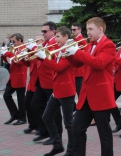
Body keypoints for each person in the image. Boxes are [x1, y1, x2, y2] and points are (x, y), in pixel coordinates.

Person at [66, 17, 116, 156]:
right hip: (86, 96)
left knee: (104, 132)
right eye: (87, 29)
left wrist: (77, 52)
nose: (88, 32)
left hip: (101, 96)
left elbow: (99, 63)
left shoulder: (109, 45)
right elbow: (78, 64)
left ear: (100, 29)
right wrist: (69, 54)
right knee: (77, 128)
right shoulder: (89, 45)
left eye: (90, 29)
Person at [34, 26, 76, 156]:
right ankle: (58, 145)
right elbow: (52, 64)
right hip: (57, 89)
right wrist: (41, 56)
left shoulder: (70, 51)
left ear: (66, 37)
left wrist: (44, 58)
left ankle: (71, 150)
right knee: (46, 116)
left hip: (66, 90)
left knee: (68, 123)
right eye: (56, 36)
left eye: (58, 37)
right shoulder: (59, 49)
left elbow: (58, 68)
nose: (56, 39)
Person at [28, 21, 63, 143]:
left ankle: (57, 135)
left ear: (53, 31)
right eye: (42, 31)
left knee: (54, 111)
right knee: (35, 105)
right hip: (41, 80)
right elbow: (36, 60)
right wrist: (32, 50)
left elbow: (52, 58)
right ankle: (44, 131)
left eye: (45, 31)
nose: (42, 34)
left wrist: (37, 49)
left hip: (50, 80)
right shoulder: (46, 42)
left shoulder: (54, 42)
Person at [1, 33, 28, 125]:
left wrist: (7, 53)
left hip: (20, 76)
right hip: (13, 76)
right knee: (6, 95)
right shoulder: (15, 48)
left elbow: (19, 61)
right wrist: (3, 55)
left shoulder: (24, 48)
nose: (12, 44)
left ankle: (22, 118)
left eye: (14, 41)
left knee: (21, 99)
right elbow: (8, 61)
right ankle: (14, 114)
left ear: (20, 40)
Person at [22, 35, 43, 134]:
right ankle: (32, 124)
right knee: (27, 103)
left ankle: (39, 126)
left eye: (38, 40)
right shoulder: (34, 51)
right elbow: (28, 64)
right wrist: (23, 56)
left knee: (36, 105)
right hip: (32, 82)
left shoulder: (41, 50)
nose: (37, 42)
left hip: (38, 82)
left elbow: (37, 60)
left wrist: (34, 49)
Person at [71, 22, 87, 102]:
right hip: (75, 70)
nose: (72, 31)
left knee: (80, 92)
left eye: (74, 29)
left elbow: (83, 55)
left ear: (79, 30)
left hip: (79, 71)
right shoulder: (74, 40)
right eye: (71, 30)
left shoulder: (82, 40)